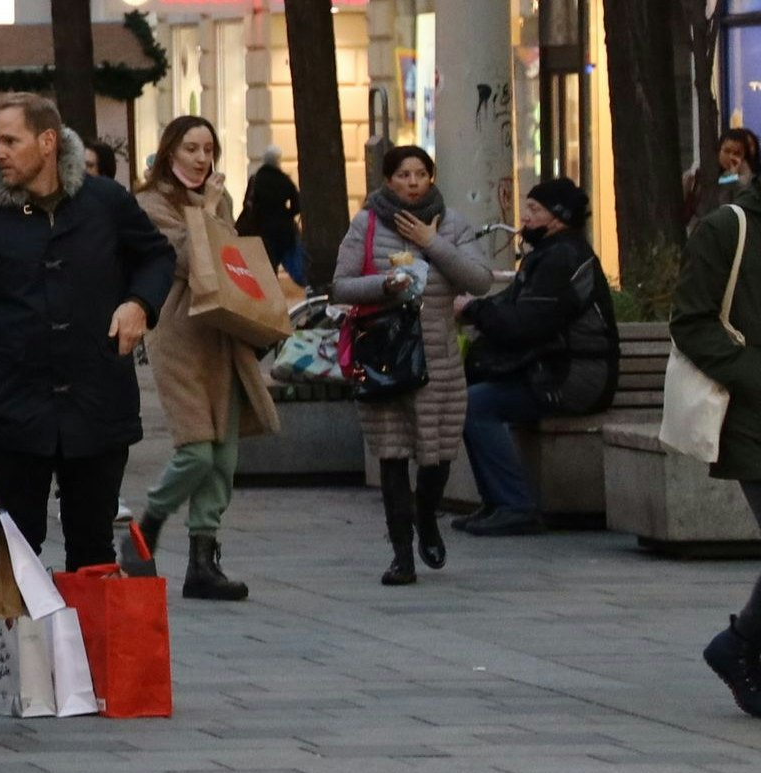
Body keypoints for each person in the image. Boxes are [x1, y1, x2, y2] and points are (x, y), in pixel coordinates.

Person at [0, 95, 173, 572]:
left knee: (93, 551)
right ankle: (22, 649)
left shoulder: (104, 201)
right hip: (12, 412)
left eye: (11, 141)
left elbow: (158, 257)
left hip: (96, 404)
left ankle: (90, 647)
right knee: (12, 555)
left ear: (48, 141)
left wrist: (140, 304)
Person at [332, 143, 497, 586]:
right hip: (385, 356)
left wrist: (433, 244)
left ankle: (426, 515)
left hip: (439, 360)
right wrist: (385, 284)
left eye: (420, 174)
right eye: (403, 175)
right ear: (388, 180)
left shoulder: (453, 223)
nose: (412, 182)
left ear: (431, 177)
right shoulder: (366, 223)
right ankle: (402, 554)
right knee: (392, 455)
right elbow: (341, 285)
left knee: (437, 455)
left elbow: (480, 280)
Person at [127, 116, 272, 601]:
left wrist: (214, 210)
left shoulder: (219, 200)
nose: (200, 158)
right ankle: (148, 523)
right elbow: (190, 261)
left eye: (208, 148)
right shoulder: (149, 204)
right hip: (179, 335)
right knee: (197, 450)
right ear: (169, 151)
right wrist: (209, 211)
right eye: (190, 148)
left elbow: (229, 260)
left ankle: (202, 563)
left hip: (223, 333)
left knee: (224, 458)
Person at [461, 175, 606, 537]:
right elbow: (513, 304)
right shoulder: (550, 253)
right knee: (476, 394)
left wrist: (472, 311)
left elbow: (527, 322)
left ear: (557, 217)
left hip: (572, 377)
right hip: (557, 367)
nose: (524, 217)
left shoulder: (564, 258)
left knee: (475, 405)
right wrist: (476, 308)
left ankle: (514, 505)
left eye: (534, 209)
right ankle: (496, 502)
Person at [672, 169, 761, 714]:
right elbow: (692, 323)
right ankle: (740, 646)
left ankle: (740, 645)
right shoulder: (729, 228)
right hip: (753, 418)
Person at [237, 141, 303, 280]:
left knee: (265, 265)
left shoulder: (256, 179)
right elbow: (297, 205)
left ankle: (268, 293)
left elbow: (247, 203)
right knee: (279, 261)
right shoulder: (285, 180)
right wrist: (286, 215)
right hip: (282, 232)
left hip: (259, 229)